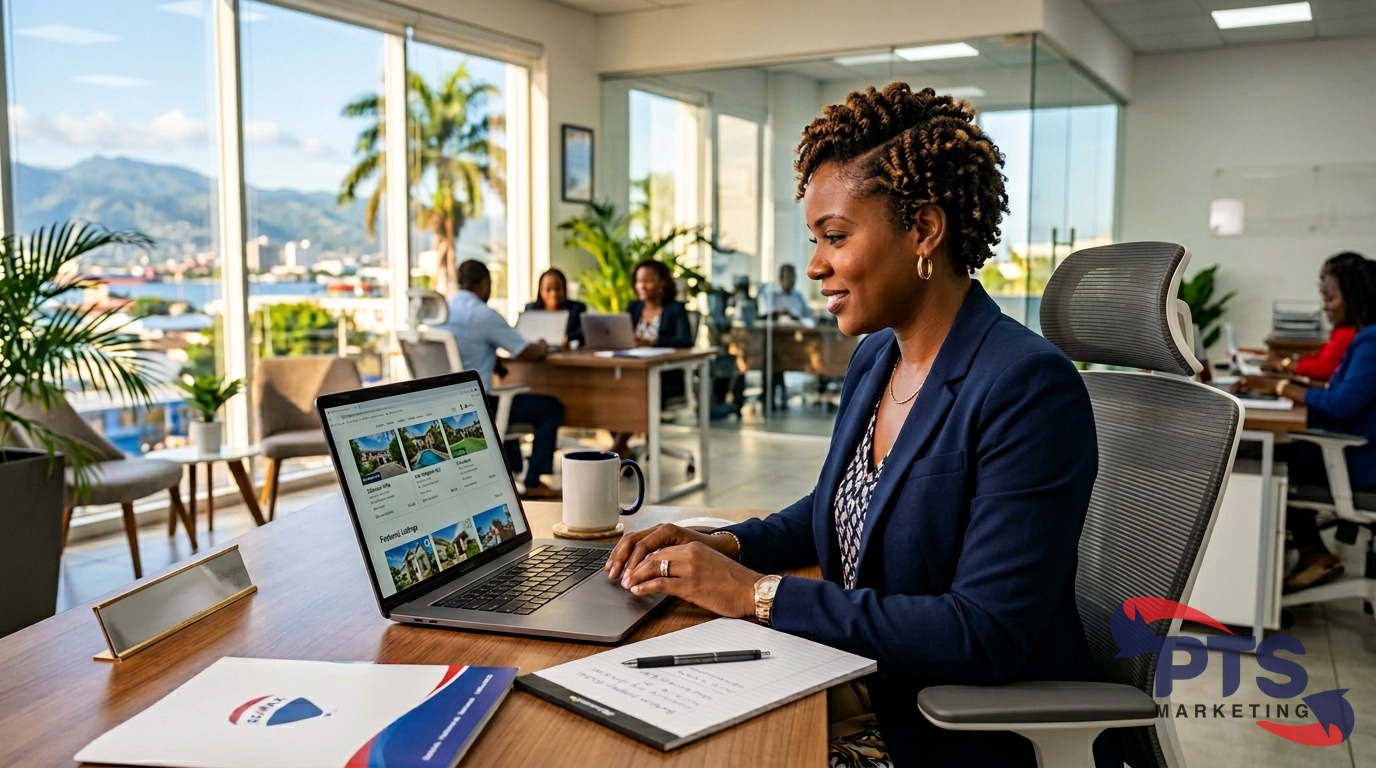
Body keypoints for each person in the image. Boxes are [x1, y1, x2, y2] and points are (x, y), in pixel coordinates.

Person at [604, 84, 1109, 767]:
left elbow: (983, 632)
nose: (816, 265)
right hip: (867, 687)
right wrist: (722, 543)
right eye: (815, 241)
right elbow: (839, 504)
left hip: (951, 736)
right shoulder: (876, 357)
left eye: (835, 237)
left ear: (923, 230)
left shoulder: (1026, 386)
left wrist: (754, 594)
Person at [1235, 257, 1376, 592]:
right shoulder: (1366, 337)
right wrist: (1285, 385)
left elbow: (1341, 405)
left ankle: (1308, 556)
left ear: (1355, 297)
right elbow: (1339, 392)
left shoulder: (1371, 341)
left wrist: (1281, 388)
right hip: (1360, 452)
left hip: (1359, 464)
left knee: (1259, 456)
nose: (1325, 307)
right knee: (1273, 452)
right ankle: (1307, 550)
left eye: (1331, 298)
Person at [441, 259, 564, 499]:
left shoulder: (443, 311)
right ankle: (533, 482)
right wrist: (542, 345)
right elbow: (528, 352)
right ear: (483, 284)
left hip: (446, 406)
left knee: (509, 402)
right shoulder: (483, 315)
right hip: (479, 407)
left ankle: (513, 472)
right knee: (551, 408)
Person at [610, 259, 695, 457]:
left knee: (632, 396)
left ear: (662, 282)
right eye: (638, 281)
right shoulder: (633, 308)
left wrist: (652, 342)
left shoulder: (675, 309)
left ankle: (618, 448)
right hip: (630, 374)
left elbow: (685, 341)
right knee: (608, 396)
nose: (642, 286)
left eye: (648, 281)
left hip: (664, 378)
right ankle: (622, 448)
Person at [1264, 251, 1367, 382]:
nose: (1322, 288)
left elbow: (1324, 370)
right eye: (1322, 281)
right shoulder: (1343, 329)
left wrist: (1284, 370)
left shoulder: (1352, 332)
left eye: (1326, 279)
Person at [523, 267, 587, 348]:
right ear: (540, 291)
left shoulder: (576, 309)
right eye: (548, 289)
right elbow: (521, 334)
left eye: (557, 289)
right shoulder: (531, 310)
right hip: (536, 352)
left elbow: (584, 334)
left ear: (564, 289)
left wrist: (568, 338)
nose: (553, 294)